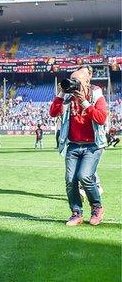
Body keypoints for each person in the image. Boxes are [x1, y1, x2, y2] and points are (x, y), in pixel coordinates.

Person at [49, 65, 108, 226]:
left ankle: (97, 207)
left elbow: (101, 118)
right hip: (74, 145)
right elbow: (53, 112)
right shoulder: (67, 96)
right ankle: (76, 213)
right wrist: (62, 92)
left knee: (85, 176)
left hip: (93, 145)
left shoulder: (96, 95)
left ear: (87, 81)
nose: (74, 83)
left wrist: (84, 102)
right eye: (72, 80)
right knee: (70, 180)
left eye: (77, 81)